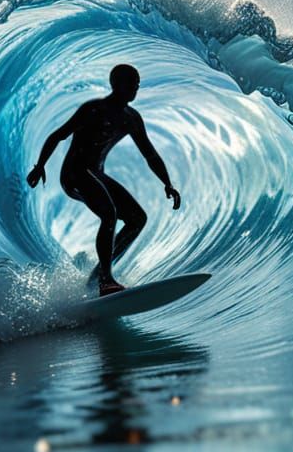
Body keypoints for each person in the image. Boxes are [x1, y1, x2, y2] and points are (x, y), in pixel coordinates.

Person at [26, 64, 180, 297]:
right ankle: (106, 280)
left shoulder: (132, 119)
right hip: (74, 173)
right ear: (116, 84)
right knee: (109, 213)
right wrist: (39, 166)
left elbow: (150, 154)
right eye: (131, 83)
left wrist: (167, 183)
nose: (135, 88)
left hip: (96, 174)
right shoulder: (94, 110)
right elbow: (59, 135)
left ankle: (100, 274)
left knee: (137, 219)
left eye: (137, 84)